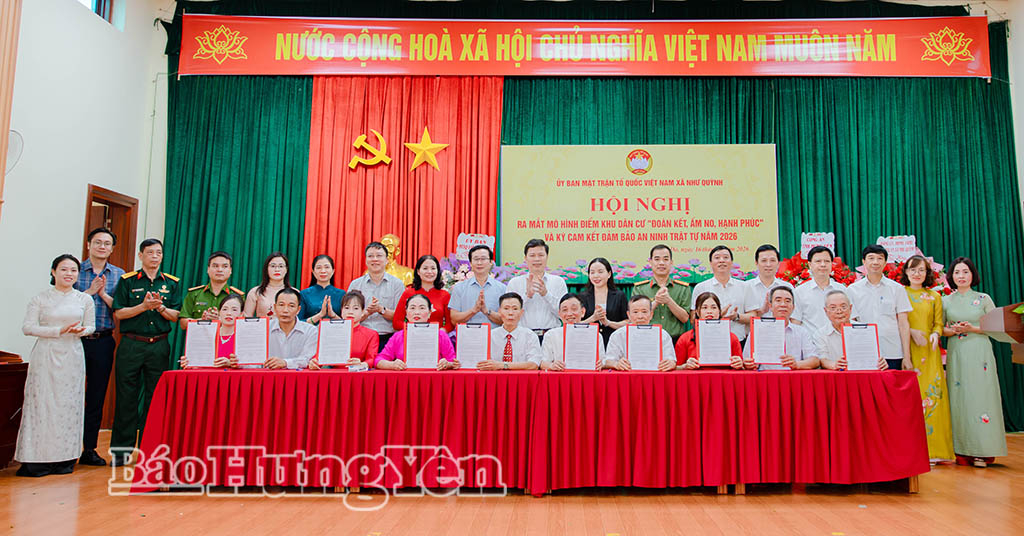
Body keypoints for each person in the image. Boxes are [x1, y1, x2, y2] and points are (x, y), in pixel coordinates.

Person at [15, 255, 95, 477]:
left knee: (69, 404)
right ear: (53, 272)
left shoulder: (84, 299)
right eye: (64, 270)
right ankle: (36, 460)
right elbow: (28, 327)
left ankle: (65, 459)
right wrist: (57, 331)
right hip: (46, 354)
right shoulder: (40, 298)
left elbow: (91, 326)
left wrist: (81, 331)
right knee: (42, 403)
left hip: (72, 354)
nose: (69, 274)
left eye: (73, 270)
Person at [109, 238, 182, 466]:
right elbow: (119, 313)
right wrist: (143, 307)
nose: (155, 257)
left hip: (158, 345)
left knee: (155, 398)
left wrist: (160, 307)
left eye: (158, 253)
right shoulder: (128, 281)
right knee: (126, 398)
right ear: (141, 255)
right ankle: (121, 452)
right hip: (131, 344)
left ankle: (149, 451)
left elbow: (176, 316)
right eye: (150, 252)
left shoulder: (171, 283)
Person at [942, 257, 1006, 467]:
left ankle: (982, 451)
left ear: (973, 275)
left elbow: (997, 326)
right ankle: (961, 449)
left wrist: (973, 329)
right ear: (951, 276)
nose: (961, 276)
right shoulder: (945, 301)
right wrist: (953, 330)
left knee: (981, 396)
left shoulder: (984, 298)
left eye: (965, 272)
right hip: (957, 352)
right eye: (957, 272)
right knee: (959, 398)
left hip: (980, 352)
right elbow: (940, 328)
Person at [74, 227, 125, 466]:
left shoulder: (119, 275)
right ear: (88, 245)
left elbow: (121, 309)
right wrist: (89, 293)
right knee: (70, 394)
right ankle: (65, 448)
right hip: (75, 340)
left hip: (103, 340)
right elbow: (64, 303)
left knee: (96, 395)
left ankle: (89, 449)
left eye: (107, 243)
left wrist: (103, 294)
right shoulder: (74, 270)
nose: (102, 246)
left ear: (112, 248)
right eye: (97, 242)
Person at [900, 255, 954, 462]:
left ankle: (935, 450)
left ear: (927, 273)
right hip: (907, 351)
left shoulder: (934, 296)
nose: (917, 273)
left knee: (933, 397)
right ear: (906, 272)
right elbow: (896, 321)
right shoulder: (900, 293)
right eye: (913, 269)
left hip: (930, 353)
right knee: (911, 399)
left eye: (921, 270)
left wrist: (935, 334)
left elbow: (938, 323)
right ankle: (911, 449)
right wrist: (912, 332)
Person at [846, 245, 912, 370]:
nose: (875, 262)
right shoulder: (852, 290)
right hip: (864, 353)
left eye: (880, 258)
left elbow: (903, 324)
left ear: (885, 262)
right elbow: (851, 323)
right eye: (871, 258)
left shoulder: (897, 289)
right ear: (864, 261)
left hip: (892, 351)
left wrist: (907, 357)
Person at [742, 286, 820, 370]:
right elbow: (746, 360)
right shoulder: (757, 331)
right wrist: (749, 364)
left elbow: (815, 360)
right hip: (765, 376)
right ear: (770, 306)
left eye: (787, 301)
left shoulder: (801, 332)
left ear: (793, 307)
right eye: (778, 300)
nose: (783, 305)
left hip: (792, 376)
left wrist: (796, 364)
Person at [505, 239, 568, 341]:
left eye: (541, 255)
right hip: (523, 336)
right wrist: (527, 296)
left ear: (547, 257)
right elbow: (509, 314)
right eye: (532, 255)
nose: (537, 259)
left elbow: (563, 315)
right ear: (525, 258)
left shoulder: (558, 282)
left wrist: (546, 294)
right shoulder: (514, 283)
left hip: (551, 337)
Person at [373, 294, 458, 370]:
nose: (417, 312)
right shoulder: (398, 336)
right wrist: (392, 365)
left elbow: (454, 361)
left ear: (429, 313)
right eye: (412, 308)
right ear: (406, 312)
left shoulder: (440, 335)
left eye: (422, 308)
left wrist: (447, 364)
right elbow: (378, 360)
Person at [347, 242, 404, 350]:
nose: (375, 259)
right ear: (366, 260)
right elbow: (349, 317)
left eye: (379, 256)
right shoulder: (355, 285)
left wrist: (380, 310)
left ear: (387, 260)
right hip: (361, 338)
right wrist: (367, 313)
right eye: (370, 256)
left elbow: (400, 317)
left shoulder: (397, 284)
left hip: (388, 339)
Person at [816, 290, 889, 371]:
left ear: (850, 308)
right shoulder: (820, 334)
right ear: (826, 311)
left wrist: (880, 363)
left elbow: (876, 357)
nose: (839, 311)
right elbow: (822, 359)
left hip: (861, 374)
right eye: (833, 308)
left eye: (843, 307)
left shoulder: (866, 331)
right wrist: (834, 365)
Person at [632, 244, 691, 342]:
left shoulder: (683, 288)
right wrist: (656, 302)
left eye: (666, 259)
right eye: (657, 259)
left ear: (671, 263)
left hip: (675, 341)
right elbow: (636, 317)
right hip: (647, 339)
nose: (661, 263)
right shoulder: (639, 288)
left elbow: (685, 318)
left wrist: (669, 301)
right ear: (650, 262)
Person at [690, 245, 748, 343]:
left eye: (725, 257)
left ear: (732, 262)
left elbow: (753, 316)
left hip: (738, 341)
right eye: (717, 258)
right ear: (711, 263)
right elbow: (693, 319)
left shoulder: (744, 286)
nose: (721, 261)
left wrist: (736, 317)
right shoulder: (701, 287)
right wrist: (717, 316)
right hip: (708, 341)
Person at [604, 295, 677, 372]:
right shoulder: (618, 335)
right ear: (628, 315)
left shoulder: (662, 335)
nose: (640, 316)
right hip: (627, 376)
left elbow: (672, 360)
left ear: (651, 314)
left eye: (644, 312)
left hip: (655, 376)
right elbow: (608, 361)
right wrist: (616, 364)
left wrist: (671, 364)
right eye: (635, 312)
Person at [308, 290, 379, 369]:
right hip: (334, 374)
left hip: (358, 374)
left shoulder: (371, 334)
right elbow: (320, 357)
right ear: (341, 311)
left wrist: (362, 364)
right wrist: (313, 362)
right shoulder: (330, 332)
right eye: (347, 308)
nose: (350, 312)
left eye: (355, 308)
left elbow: (371, 359)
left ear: (362, 312)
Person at [674, 292, 744, 371]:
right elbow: (676, 368)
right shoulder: (685, 338)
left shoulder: (732, 338)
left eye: (714, 307)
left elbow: (741, 368)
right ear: (697, 312)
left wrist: (739, 364)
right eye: (704, 308)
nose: (709, 311)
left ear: (719, 311)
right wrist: (685, 366)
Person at [179, 251, 244, 330]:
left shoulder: (238, 296)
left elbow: (242, 325)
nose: (219, 270)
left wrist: (221, 320)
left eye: (225, 266)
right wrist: (203, 320)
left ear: (230, 270)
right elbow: (183, 324)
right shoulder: (194, 294)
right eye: (215, 266)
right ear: (208, 269)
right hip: (199, 336)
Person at [540, 294, 605, 371]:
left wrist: (601, 364)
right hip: (560, 376)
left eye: (574, 309)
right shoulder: (551, 335)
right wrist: (551, 365)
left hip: (587, 376)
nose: (569, 314)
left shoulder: (595, 335)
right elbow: (543, 363)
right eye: (565, 310)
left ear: (583, 312)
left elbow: (603, 361)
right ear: (559, 314)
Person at [792, 245, 849, 334]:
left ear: (832, 264)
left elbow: (849, 318)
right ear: (810, 265)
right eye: (818, 261)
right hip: (810, 341)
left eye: (827, 261)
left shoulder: (842, 290)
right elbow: (796, 322)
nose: (823, 265)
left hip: (837, 340)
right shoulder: (799, 291)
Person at [478, 293, 541, 370]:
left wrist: (502, 365)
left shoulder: (530, 336)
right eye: (506, 308)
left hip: (520, 377)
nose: (510, 313)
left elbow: (534, 365)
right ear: (499, 311)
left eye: (515, 309)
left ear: (521, 312)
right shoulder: (489, 336)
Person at [179, 294, 244, 369]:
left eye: (234, 310)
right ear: (219, 312)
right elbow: (200, 364)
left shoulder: (244, 336)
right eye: (225, 309)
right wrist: (190, 364)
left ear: (241, 314)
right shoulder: (207, 334)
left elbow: (252, 365)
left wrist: (231, 363)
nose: (229, 313)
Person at [449, 245, 506, 327]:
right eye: (476, 259)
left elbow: (505, 320)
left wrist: (487, 311)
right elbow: (454, 319)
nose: (479, 263)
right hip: (467, 334)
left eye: (483, 259)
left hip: (493, 334)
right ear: (471, 263)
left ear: (491, 262)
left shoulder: (502, 288)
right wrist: (473, 310)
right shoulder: (459, 288)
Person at [393, 255, 452, 332]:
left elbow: (450, 324)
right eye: (425, 268)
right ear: (418, 271)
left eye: (433, 268)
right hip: (412, 335)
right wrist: (413, 329)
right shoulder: (408, 293)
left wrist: (440, 332)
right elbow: (397, 322)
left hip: (436, 336)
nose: (429, 272)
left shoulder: (445, 295)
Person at [578, 257, 628, 346]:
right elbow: (576, 324)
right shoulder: (582, 297)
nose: (596, 276)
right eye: (592, 272)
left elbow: (628, 322)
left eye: (600, 272)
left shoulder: (619, 296)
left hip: (614, 343)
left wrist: (608, 323)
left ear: (609, 274)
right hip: (588, 343)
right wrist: (593, 318)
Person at [265, 288, 318, 370]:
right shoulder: (264, 328)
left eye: (291, 306)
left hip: (298, 376)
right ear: (275, 307)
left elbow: (307, 359)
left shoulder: (311, 331)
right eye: (281, 305)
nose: (285, 310)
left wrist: (285, 363)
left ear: (298, 310)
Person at [742, 244, 792, 322]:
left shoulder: (787, 287)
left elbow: (793, 316)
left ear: (778, 263)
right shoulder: (746, 287)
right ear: (756, 263)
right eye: (764, 261)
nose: (768, 265)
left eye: (772, 260)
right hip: (754, 329)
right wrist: (761, 311)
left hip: (781, 329)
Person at [244, 252, 294, 318]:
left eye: (281, 266)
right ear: (266, 269)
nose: (277, 270)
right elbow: (246, 318)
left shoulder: (294, 292)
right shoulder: (255, 292)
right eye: (273, 266)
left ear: (286, 269)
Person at [300, 254, 345, 324]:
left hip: (335, 330)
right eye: (319, 267)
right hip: (311, 330)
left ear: (333, 271)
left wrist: (333, 315)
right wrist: (320, 315)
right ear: (313, 271)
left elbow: (346, 323)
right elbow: (298, 322)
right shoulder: (304, 294)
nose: (323, 271)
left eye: (327, 267)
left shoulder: (342, 294)